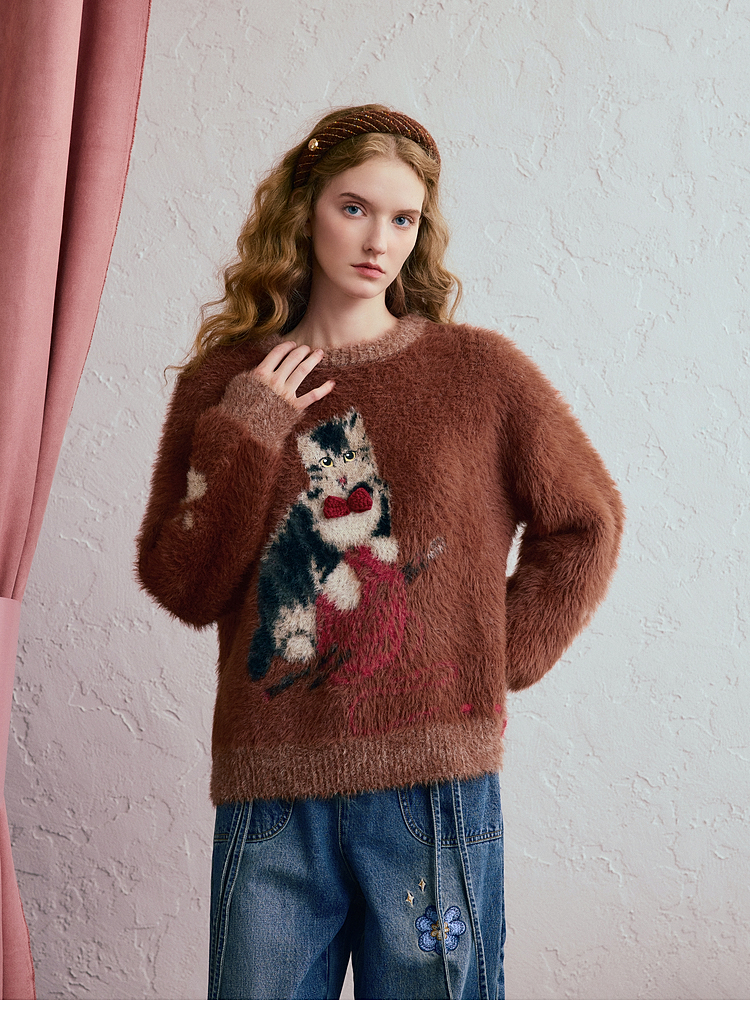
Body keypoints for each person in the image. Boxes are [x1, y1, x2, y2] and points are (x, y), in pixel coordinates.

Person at [136, 104, 624, 1000]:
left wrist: (496, 652)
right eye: (355, 208)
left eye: (404, 219)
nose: (379, 241)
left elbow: (586, 520)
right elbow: (184, 586)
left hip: (432, 790)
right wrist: (250, 427)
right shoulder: (229, 382)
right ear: (304, 209)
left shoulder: (479, 374)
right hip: (270, 790)